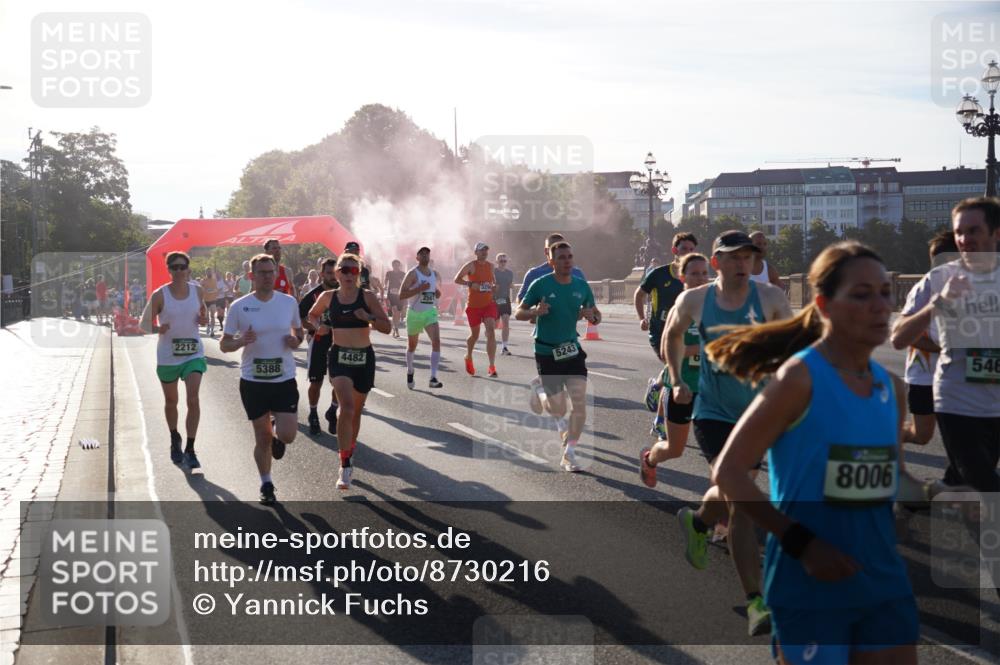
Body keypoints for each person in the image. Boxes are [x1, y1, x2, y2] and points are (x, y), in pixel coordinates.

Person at [710, 241, 954, 664]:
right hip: (809, 580)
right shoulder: (799, 378)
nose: (881, 306)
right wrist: (801, 543)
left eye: (885, 293)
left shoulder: (891, 389)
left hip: (882, 579)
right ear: (824, 305)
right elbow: (729, 473)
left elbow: (892, 477)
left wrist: (948, 498)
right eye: (861, 295)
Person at [668, 230, 792, 637]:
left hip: (756, 413)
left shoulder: (771, 299)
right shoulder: (695, 300)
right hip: (713, 411)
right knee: (742, 499)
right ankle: (756, 601)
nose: (743, 264)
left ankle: (700, 523)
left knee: (730, 494)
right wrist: (676, 379)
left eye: (748, 257)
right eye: (734, 258)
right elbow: (671, 334)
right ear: (717, 262)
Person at [892, 196, 1000, 493]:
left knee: (970, 481)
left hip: (993, 397)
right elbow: (898, 338)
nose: (965, 239)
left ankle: (930, 494)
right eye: (959, 232)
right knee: (983, 483)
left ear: (996, 233)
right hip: (954, 398)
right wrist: (939, 304)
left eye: (974, 230)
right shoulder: (937, 280)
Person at [220, 253, 304, 505]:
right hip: (253, 380)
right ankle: (266, 483)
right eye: (262, 273)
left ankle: (279, 436)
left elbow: (299, 333)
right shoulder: (239, 306)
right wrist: (239, 341)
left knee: (287, 435)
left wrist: (296, 340)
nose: (268, 277)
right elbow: (224, 345)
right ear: (251, 276)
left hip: (284, 378)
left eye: (271, 272)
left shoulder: (288, 302)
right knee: (262, 437)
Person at [516, 241, 601, 472]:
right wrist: (535, 312)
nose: (567, 261)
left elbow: (596, 316)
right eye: (561, 257)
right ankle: (540, 390)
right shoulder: (540, 284)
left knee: (580, 405)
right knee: (559, 409)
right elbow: (518, 312)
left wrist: (591, 316)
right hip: (546, 350)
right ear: (552, 261)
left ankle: (569, 453)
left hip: (571, 349)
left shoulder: (582, 286)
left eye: (570, 257)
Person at [309, 253, 392, 490]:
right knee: (345, 406)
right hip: (339, 358)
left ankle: (349, 451)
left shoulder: (367, 297)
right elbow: (312, 316)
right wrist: (320, 327)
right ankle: (344, 465)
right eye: (344, 270)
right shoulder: (328, 296)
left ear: (359, 274)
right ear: (336, 273)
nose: (348, 274)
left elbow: (387, 327)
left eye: (353, 271)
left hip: (364, 359)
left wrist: (369, 317)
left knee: (355, 411)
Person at [639, 252, 710, 487]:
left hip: (710, 388)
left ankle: (722, 508)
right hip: (681, 385)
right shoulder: (678, 310)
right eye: (694, 273)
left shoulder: (717, 309)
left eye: (704, 273)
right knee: (674, 448)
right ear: (683, 277)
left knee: (719, 450)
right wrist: (700, 347)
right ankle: (650, 459)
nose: (700, 278)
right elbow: (664, 351)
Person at [139, 252, 209, 471]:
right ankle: (174, 437)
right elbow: (143, 324)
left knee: (193, 399)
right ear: (169, 270)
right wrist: (159, 328)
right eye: (174, 267)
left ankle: (190, 448)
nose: (179, 271)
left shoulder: (197, 290)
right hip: (168, 356)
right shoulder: (160, 295)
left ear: (188, 269)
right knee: (171, 402)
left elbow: (203, 314)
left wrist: (203, 318)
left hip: (193, 354)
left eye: (182, 267)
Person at [891, 231, 958, 448]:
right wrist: (943, 348)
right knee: (921, 435)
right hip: (925, 375)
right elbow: (903, 333)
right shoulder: (926, 286)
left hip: (961, 376)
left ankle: (963, 475)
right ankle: (881, 436)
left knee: (967, 434)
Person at [635, 232, 699, 439]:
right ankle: (660, 422)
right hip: (659, 331)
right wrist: (641, 318)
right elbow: (639, 294)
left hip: (685, 333)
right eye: (684, 249)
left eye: (691, 249)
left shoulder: (696, 275)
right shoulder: (659, 273)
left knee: (675, 371)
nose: (688, 253)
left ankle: (657, 386)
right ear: (674, 251)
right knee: (674, 368)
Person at [299, 258, 340, 435]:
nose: (333, 276)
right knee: (316, 382)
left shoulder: (344, 292)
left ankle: (332, 411)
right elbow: (299, 318)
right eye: (329, 273)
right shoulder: (313, 295)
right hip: (318, 342)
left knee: (339, 382)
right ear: (322, 274)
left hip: (340, 342)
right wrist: (315, 328)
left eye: (335, 272)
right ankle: (313, 413)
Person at [398, 247, 444, 389]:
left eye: (427, 254)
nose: (425, 256)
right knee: (412, 346)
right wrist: (419, 289)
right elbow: (401, 294)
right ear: (417, 258)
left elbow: (433, 291)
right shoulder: (412, 273)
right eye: (422, 254)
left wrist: (436, 293)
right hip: (414, 313)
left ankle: (433, 377)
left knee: (436, 342)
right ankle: (410, 370)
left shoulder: (434, 274)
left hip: (430, 312)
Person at [455, 242, 499, 377]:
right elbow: (457, 279)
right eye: (481, 251)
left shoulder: (491, 266)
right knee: (475, 335)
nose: (484, 252)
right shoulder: (470, 265)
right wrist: (469, 284)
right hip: (473, 306)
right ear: (476, 252)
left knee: (491, 331)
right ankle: (468, 356)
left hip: (488, 304)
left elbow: (493, 282)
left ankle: (492, 366)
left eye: (486, 250)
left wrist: (494, 287)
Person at [493, 253, 515, 355]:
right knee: (495, 325)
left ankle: (504, 347)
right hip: (495, 300)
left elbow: (510, 284)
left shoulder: (510, 273)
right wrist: (494, 288)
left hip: (505, 299)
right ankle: (490, 339)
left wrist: (512, 286)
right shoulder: (493, 272)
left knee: (506, 322)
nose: (503, 263)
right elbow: (490, 284)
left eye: (504, 261)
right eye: (501, 261)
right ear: (497, 262)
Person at [384, 259, 407, 339]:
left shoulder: (403, 274)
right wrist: (385, 287)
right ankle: (396, 329)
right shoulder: (389, 273)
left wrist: (402, 283)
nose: (396, 267)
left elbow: (405, 283)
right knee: (394, 311)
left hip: (400, 295)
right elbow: (385, 281)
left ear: (399, 266)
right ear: (392, 266)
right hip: (391, 295)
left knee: (398, 313)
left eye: (397, 265)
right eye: (395, 265)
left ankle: (395, 327)